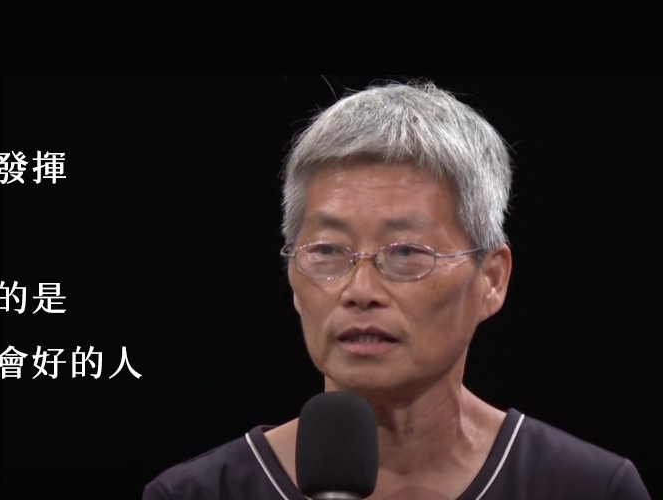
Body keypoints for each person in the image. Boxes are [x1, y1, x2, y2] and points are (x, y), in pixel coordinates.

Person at [142, 82, 650, 500]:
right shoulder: (198, 493)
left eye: (406, 252)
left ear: (492, 279)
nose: (360, 291)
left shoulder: (588, 488)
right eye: (327, 251)